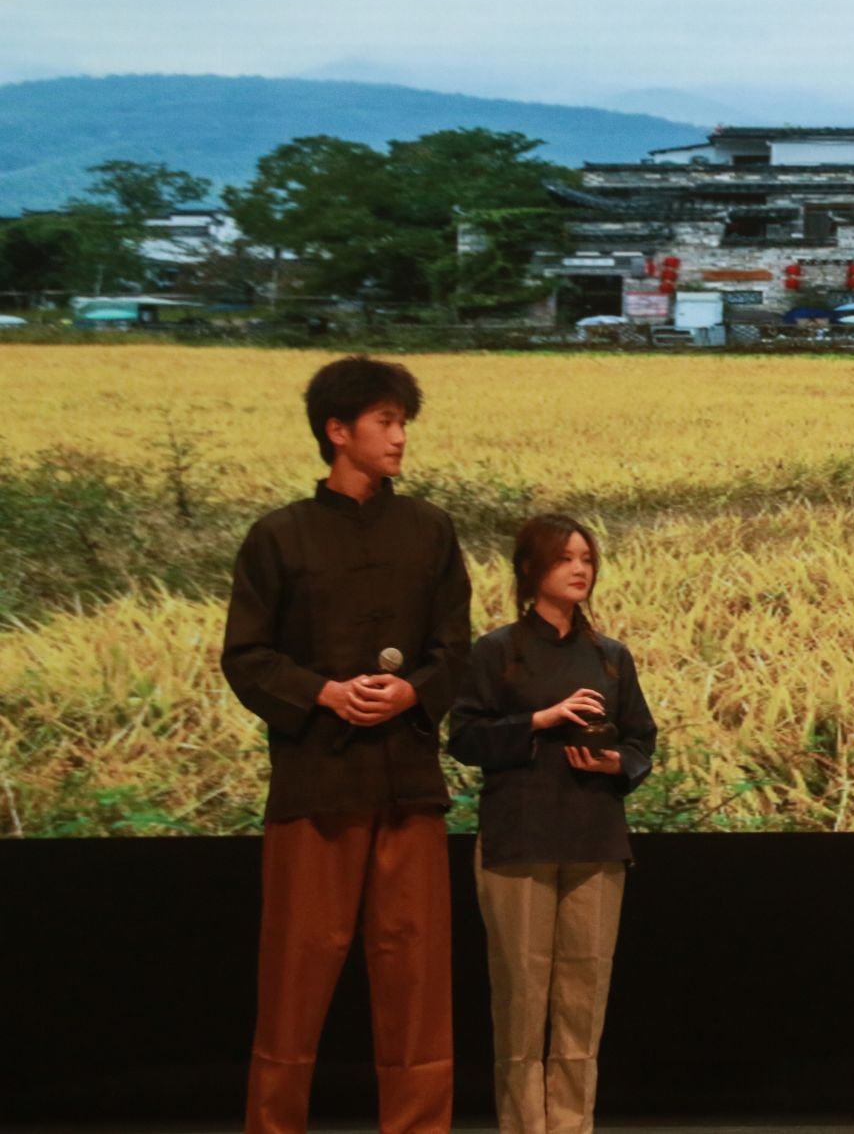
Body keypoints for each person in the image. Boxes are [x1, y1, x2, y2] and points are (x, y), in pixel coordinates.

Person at [222, 356, 472, 1134]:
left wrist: (412, 691)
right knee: (295, 970)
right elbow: (246, 656)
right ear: (338, 430)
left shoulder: (430, 529)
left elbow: (455, 649)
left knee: (416, 972)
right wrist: (326, 693)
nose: (400, 437)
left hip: (408, 782)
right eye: (385, 421)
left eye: (403, 422)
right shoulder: (279, 535)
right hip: (316, 783)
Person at [449, 514, 657, 1134]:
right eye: (565, 558)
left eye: (587, 559)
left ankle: (571, 1126)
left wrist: (617, 761)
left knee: (582, 994)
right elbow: (464, 737)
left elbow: (641, 741)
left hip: (595, 837)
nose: (579, 569)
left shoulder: (611, 657)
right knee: (522, 992)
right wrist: (541, 719)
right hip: (520, 838)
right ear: (529, 569)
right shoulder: (496, 651)